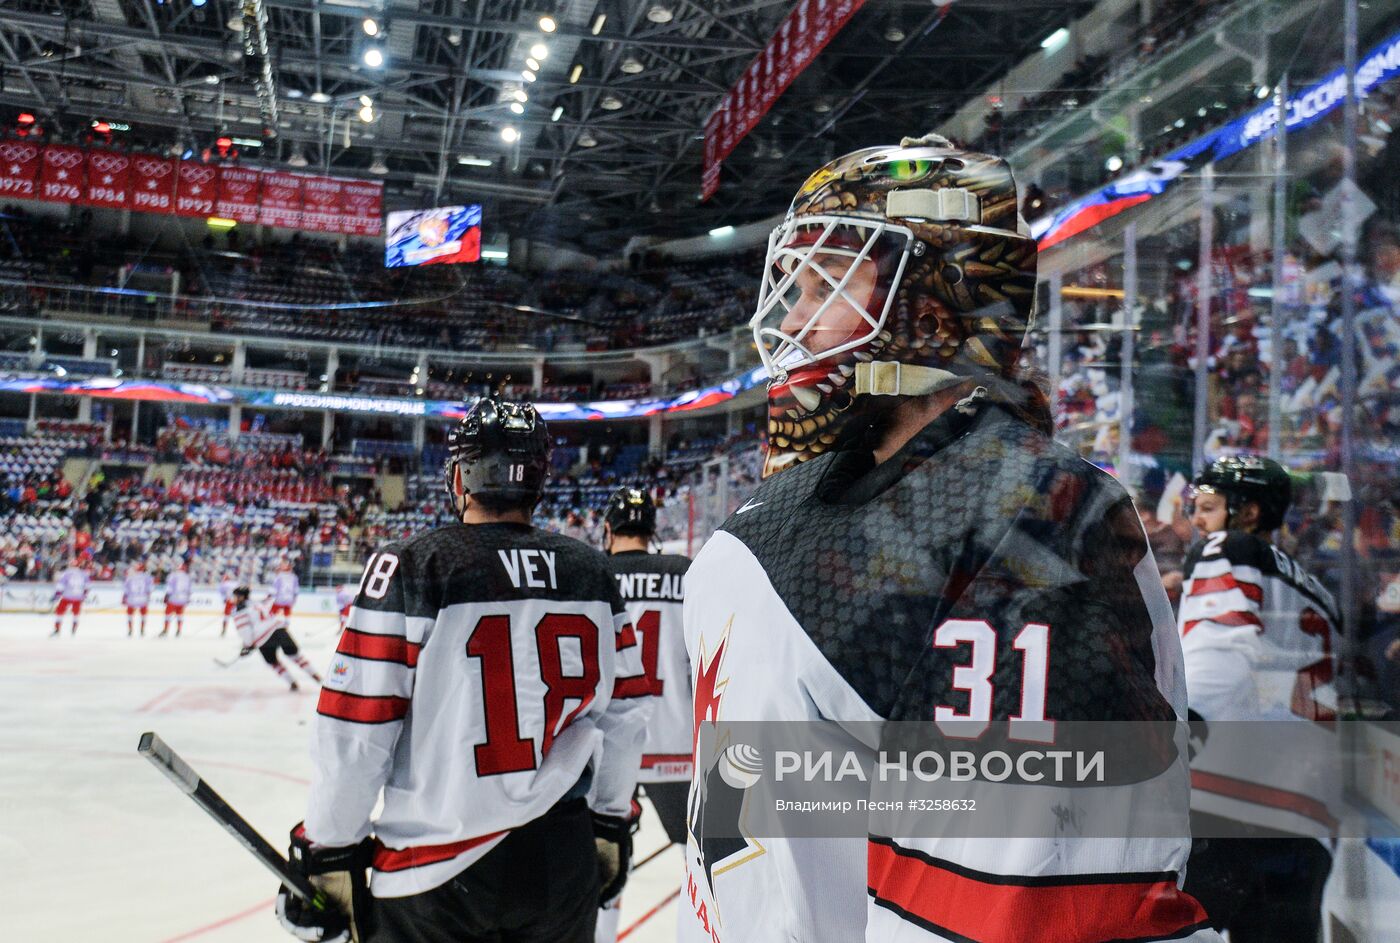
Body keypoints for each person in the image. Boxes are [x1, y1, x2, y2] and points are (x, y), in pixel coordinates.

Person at [680, 135, 1213, 942]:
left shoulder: (1029, 517)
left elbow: (1047, 904)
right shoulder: (810, 516)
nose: (791, 320)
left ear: (930, 311)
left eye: (823, 283)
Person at [274, 398, 653, 943]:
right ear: (539, 479)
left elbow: (357, 729)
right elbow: (625, 718)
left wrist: (332, 846)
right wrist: (610, 820)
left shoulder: (411, 565)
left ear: (459, 478)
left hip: (435, 869)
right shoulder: (592, 572)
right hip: (559, 861)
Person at [1176, 455, 1338, 942]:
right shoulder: (1321, 593)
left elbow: (1220, 654)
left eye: (1207, 507)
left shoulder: (1231, 546)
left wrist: (1176, 737)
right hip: (1308, 812)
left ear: (1247, 513)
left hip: (1231, 801)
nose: (1198, 521)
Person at [595, 485, 691, 943]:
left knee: (602, 863)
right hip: (683, 747)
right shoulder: (688, 573)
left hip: (609, 747)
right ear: (652, 532)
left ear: (608, 530)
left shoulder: (592, 574)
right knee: (714, 866)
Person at [230, 585, 322, 691]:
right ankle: (315, 675)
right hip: (278, 629)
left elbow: (245, 631)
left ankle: (292, 682)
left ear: (241, 597)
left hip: (262, 639)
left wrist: (248, 645)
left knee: (273, 662)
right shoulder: (257, 603)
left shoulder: (239, 611)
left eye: (235, 596)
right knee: (294, 655)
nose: (233, 599)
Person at [51, 558, 90, 637]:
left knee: (59, 612)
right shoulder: (84, 574)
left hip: (67, 596)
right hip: (78, 597)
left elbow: (60, 586)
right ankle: (73, 630)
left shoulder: (66, 573)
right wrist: (84, 595)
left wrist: (57, 595)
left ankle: (57, 629)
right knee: (76, 614)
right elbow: (87, 586)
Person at [161, 560, 193, 637]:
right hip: (183, 599)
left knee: (168, 615)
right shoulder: (187, 577)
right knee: (180, 615)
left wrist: (166, 596)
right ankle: (179, 630)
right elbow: (189, 590)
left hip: (173, 598)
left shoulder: (173, 575)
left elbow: (169, 587)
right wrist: (188, 598)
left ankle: (165, 630)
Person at [122, 561, 154, 637]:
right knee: (143, 615)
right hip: (143, 598)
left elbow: (126, 589)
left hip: (132, 598)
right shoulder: (147, 577)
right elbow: (150, 589)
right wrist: (148, 596)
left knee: (130, 615)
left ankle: (130, 630)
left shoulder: (130, 577)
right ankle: (142, 630)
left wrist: (124, 598)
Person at [270, 558, 299, 625]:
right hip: (289, 598)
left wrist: (270, 595)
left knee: (273, 610)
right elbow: (296, 589)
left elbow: (274, 588)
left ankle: (271, 622)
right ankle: (287, 622)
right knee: (287, 609)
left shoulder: (279, 577)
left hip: (280, 598)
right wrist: (294, 598)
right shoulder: (294, 577)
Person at [219, 571, 239, 636]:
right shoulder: (235, 583)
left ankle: (224, 630)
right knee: (234, 616)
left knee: (227, 617)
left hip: (232, 602)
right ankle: (224, 629)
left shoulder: (226, 584)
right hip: (232, 601)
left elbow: (221, 591)